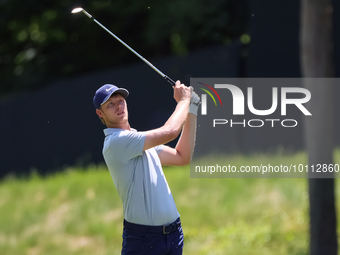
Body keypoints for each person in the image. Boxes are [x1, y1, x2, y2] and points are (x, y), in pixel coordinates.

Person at [93, 80, 199, 255]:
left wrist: (191, 110)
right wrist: (183, 101)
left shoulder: (137, 140)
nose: (118, 106)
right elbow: (170, 131)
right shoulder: (116, 142)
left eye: (120, 101)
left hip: (173, 235)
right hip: (144, 240)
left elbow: (182, 156)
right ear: (100, 113)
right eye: (110, 104)